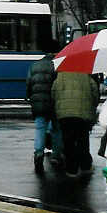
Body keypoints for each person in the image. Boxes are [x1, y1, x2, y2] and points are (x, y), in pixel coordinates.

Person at [52, 71, 100, 177]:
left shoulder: (60, 76)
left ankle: (71, 169)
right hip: (83, 113)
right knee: (83, 140)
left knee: (68, 142)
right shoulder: (86, 75)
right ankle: (85, 166)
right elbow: (95, 93)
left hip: (64, 115)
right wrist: (93, 106)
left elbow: (54, 93)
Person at [25, 40, 63, 173]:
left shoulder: (34, 65)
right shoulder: (58, 65)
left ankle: (38, 153)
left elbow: (29, 84)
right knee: (56, 129)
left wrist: (30, 97)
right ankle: (56, 155)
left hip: (38, 103)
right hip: (55, 102)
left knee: (40, 128)